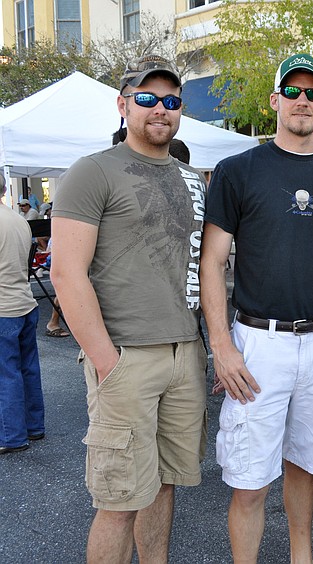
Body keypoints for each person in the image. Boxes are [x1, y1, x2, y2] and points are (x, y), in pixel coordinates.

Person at [200, 53, 313, 563]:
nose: (302, 101)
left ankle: (301, 557)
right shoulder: (236, 171)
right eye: (292, 91)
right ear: (274, 101)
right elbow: (211, 263)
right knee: (249, 480)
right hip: (256, 344)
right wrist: (221, 346)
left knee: (304, 465)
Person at [51, 55, 208, 563]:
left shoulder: (190, 178)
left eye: (170, 101)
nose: (159, 109)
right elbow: (66, 273)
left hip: (184, 351)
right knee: (118, 501)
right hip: (125, 357)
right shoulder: (92, 171)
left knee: (163, 486)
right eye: (145, 98)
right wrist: (106, 362)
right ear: (123, 105)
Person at [0, 175, 46, 455]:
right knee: (27, 368)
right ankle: (34, 426)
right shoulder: (18, 220)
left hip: (3, 307)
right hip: (25, 302)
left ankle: (12, 435)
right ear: (5, 189)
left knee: (6, 373)